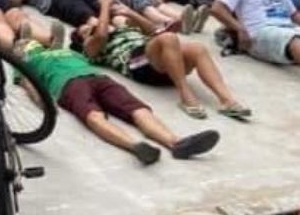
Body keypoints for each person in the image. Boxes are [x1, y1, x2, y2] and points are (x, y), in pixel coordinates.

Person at [14, 40, 220, 165]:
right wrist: (44, 105)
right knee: (93, 116)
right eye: (23, 43)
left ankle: (175, 142)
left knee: (137, 109)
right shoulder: (24, 62)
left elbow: (93, 56)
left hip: (98, 77)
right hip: (68, 85)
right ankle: (135, 146)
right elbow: (28, 83)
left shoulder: (68, 51)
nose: (28, 43)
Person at [72, 0, 250, 120]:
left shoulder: (123, 29)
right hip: (137, 65)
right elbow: (101, 34)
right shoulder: (91, 48)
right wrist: (105, 6)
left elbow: (153, 31)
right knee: (168, 38)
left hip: (162, 61)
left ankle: (227, 100)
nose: (94, 28)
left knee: (197, 48)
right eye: (87, 31)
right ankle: (185, 95)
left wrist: (129, 13)